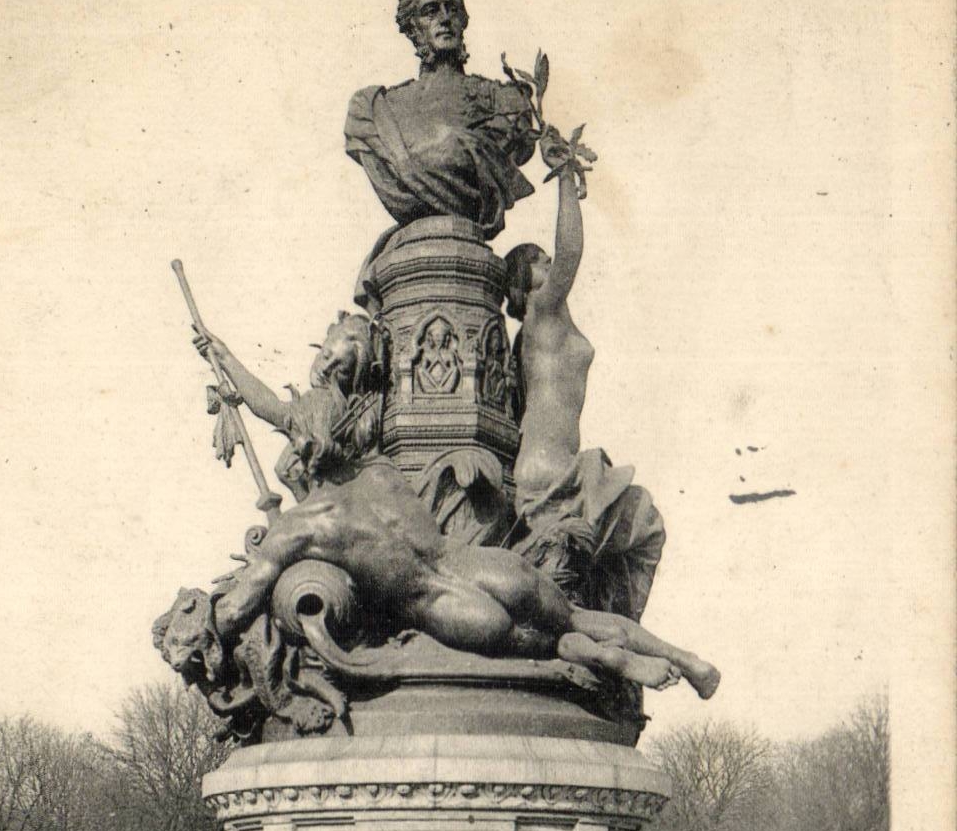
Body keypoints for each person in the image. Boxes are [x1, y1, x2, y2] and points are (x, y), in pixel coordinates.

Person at [161, 456, 721, 699]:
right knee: (576, 617)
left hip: (444, 609)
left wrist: (198, 634)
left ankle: (607, 659)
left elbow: (235, 609)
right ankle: (690, 661)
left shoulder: (293, 536)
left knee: (551, 645)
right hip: (480, 563)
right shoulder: (378, 477)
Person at [505, 157, 669, 627]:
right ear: (524, 285)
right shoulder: (543, 312)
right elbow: (572, 251)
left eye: (543, 256)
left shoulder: (544, 327)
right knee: (646, 525)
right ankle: (619, 633)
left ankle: (615, 633)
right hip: (553, 473)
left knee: (636, 531)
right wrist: (564, 180)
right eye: (537, 260)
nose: (548, 261)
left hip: (554, 468)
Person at [345, 0, 537, 240]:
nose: (444, 18)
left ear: (463, 22)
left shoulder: (505, 100)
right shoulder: (375, 109)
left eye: (453, 9)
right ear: (412, 27)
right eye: (430, 11)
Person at [194, 313, 381, 501]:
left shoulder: (325, 400)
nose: (325, 369)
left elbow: (274, 410)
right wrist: (224, 357)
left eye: (341, 370)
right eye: (326, 356)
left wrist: (225, 358)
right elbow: (274, 409)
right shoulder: (331, 404)